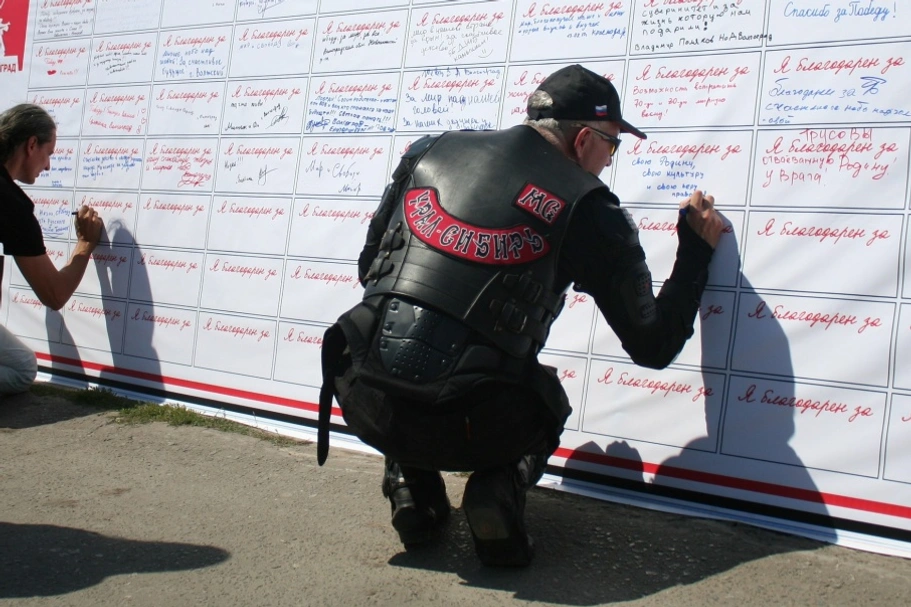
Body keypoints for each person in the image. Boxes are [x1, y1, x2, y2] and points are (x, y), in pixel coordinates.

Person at [318, 64, 724, 566]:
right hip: (478, 426)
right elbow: (654, 345)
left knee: (406, 351)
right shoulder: (593, 210)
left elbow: (369, 269)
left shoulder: (429, 150)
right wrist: (695, 253)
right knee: (547, 399)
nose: (609, 159)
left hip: (365, 398)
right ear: (583, 141)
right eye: (612, 145)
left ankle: (410, 484)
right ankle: (498, 486)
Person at [0, 103, 103, 394]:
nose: (47, 166)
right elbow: (54, 295)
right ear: (31, 144)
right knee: (22, 368)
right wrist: (85, 244)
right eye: (49, 154)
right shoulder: (11, 204)